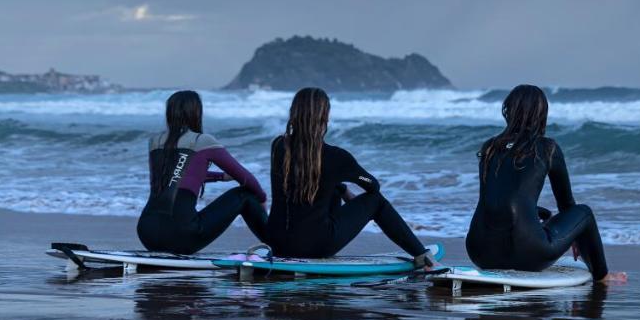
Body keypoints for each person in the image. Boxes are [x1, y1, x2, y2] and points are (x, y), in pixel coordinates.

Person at [466, 84, 626, 284]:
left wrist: (541, 214)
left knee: (538, 213)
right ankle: (603, 277)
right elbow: (567, 205)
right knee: (584, 213)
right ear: (542, 114)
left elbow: (496, 199)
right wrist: (576, 234)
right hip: (527, 255)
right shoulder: (547, 148)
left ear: (508, 111)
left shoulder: (489, 147)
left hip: (481, 253)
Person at [266, 87, 435, 265]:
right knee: (376, 201)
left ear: (293, 113)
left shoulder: (278, 146)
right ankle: (423, 257)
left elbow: (306, 175)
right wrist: (348, 184)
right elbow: (372, 186)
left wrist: (341, 187)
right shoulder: (337, 158)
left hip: (276, 244)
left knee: (332, 188)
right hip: (314, 247)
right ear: (325, 117)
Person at [137, 89, 268, 254]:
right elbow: (245, 177)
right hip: (181, 235)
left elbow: (175, 177)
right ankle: (275, 243)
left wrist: (220, 177)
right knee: (244, 195)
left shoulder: (154, 141)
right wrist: (262, 199)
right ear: (196, 112)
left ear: (170, 112)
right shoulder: (202, 141)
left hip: (147, 233)